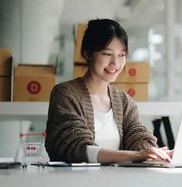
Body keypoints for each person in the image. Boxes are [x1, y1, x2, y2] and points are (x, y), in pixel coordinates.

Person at [45, 18, 172, 164]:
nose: (115, 63)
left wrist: (154, 153)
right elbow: (77, 148)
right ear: (88, 54)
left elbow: (138, 137)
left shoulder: (124, 101)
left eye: (121, 55)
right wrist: (137, 155)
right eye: (107, 54)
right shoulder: (65, 94)